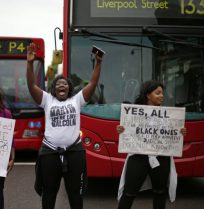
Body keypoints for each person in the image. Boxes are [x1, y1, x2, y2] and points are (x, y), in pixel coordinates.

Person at [26, 43, 103, 209]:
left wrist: (98, 63)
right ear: (53, 89)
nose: (62, 85)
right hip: (50, 153)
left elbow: (93, 83)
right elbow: (31, 86)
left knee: (75, 193)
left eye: (65, 84)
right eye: (58, 84)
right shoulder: (47, 100)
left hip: (74, 152)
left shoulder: (77, 100)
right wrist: (30, 63)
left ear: (70, 89)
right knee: (49, 193)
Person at [116, 80, 187, 209]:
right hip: (138, 157)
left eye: (162, 93)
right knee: (129, 193)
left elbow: (172, 135)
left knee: (160, 193)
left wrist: (180, 132)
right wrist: (121, 129)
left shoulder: (170, 116)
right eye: (158, 93)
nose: (162, 96)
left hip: (161, 158)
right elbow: (129, 132)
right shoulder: (133, 113)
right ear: (148, 95)